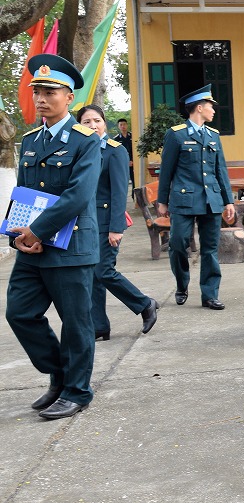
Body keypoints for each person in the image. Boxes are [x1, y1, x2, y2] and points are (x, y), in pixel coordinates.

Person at [5, 54, 102, 420]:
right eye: (38, 92)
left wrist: (38, 230)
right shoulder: (30, 141)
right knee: (20, 313)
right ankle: (60, 374)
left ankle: (77, 390)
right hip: (32, 246)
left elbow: (78, 196)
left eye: (50, 91)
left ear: (69, 98)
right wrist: (18, 232)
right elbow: (23, 193)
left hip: (71, 246)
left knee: (76, 322)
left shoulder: (85, 141)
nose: (42, 98)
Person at [77, 105, 158, 341]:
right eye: (86, 121)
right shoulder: (78, 150)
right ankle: (99, 326)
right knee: (92, 274)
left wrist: (116, 228)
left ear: (104, 123)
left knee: (104, 271)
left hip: (105, 222)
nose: (92, 125)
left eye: (97, 121)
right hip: (84, 222)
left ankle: (145, 304)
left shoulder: (115, 151)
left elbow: (119, 192)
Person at [157, 84, 236, 310]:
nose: (213, 110)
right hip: (184, 199)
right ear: (199, 107)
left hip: (211, 200)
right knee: (178, 243)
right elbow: (167, 170)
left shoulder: (213, 136)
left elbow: (220, 170)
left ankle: (210, 295)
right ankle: (182, 284)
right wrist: (163, 201)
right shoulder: (176, 135)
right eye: (211, 106)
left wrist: (228, 200)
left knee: (210, 248)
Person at [113, 117, 134, 189]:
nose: (123, 126)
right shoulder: (116, 139)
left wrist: (132, 160)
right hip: (122, 162)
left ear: (127, 125)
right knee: (123, 181)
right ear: (118, 126)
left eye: (124, 124)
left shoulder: (133, 136)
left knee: (134, 180)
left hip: (133, 162)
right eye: (121, 125)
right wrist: (125, 161)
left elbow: (135, 150)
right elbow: (116, 152)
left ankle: (134, 196)